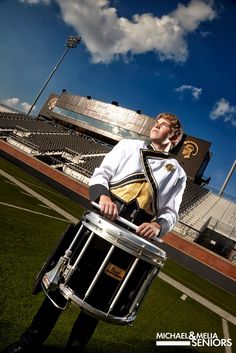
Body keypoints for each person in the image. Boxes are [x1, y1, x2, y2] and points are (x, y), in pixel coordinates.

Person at [3, 112, 186, 353]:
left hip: (130, 240)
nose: (155, 127)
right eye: (156, 123)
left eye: (162, 126)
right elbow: (102, 174)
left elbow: (170, 212)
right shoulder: (129, 145)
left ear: (173, 136)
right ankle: (28, 343)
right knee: (62, 283)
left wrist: (157, 225)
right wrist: (103, 196)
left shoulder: (178, 172)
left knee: (97, 299)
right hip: (100, 225)